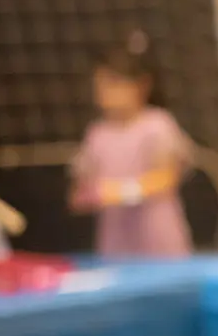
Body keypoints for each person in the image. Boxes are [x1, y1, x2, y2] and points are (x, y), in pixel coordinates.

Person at [69, 30, 194, 257]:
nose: (105, 93)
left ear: (141, 85)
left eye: (113, 84)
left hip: (160, 244)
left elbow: (167, 178)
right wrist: (88, 194)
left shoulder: (157, 124)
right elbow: (79, 193)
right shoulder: (96, 134)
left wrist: (121, 191)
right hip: (116, 249)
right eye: (100, 85)